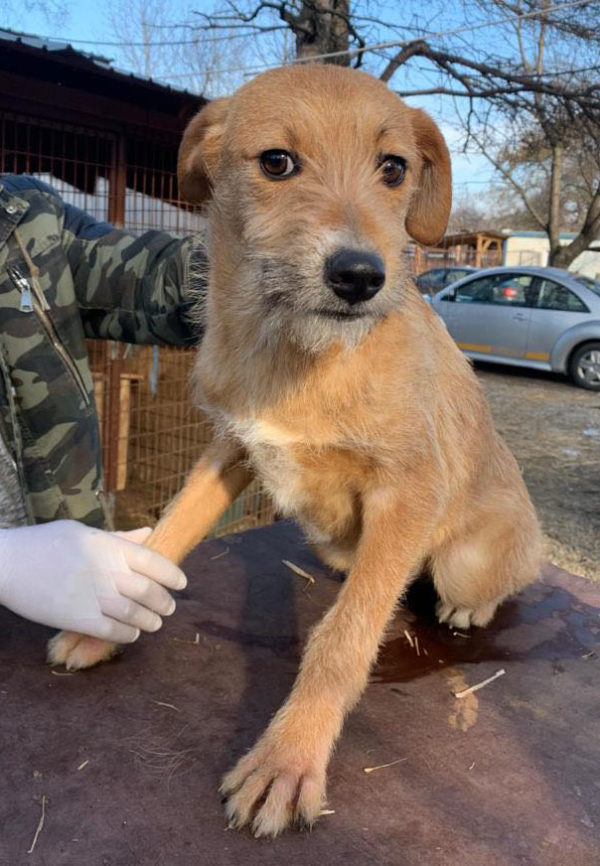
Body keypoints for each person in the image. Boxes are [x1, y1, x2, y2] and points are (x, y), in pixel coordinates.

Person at [0, 174, 204, 644]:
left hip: (68, 596)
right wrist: (7, 561)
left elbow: (152, 280)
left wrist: (273, 259)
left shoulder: (21, 216)